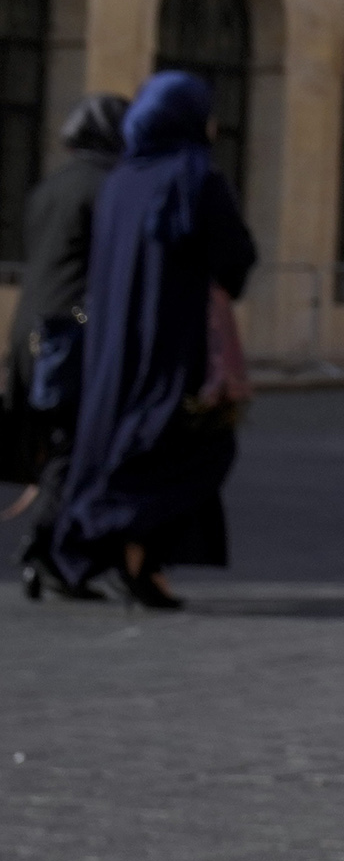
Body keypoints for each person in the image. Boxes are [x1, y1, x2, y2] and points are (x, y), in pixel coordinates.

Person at [50, 72, 254, 612]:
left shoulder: (119, 182)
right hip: (174, 346)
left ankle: (134, 558)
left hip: (114, 349)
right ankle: (134, 552)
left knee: (128, 441)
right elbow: (234, 259)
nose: (214, 125)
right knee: (195, 446)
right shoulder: (195, 178)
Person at [11, 89, 125, 595]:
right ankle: (48, 551)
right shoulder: (106, 188)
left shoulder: (51, 186)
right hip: (73, 333)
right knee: (74, 448)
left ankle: (50, 550)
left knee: (56, 447)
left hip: (31, 329)